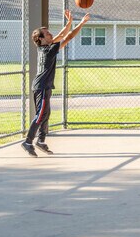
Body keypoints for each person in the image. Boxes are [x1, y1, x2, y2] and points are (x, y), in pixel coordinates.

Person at [21, 10, 90, 157]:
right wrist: (81, 23)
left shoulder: (44, 47)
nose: (51, 34)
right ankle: (28, 141)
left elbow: (61, 34)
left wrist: (69, 22)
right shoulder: (49, 50)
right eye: (47, 34)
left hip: (42, 86)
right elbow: (68, 36)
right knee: (40, 115)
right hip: (42, 86)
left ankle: (40, 141)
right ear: (41, 39)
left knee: (46, 114)